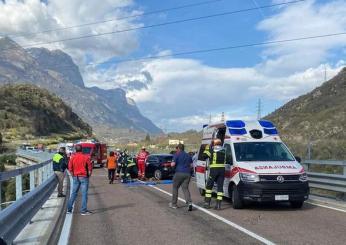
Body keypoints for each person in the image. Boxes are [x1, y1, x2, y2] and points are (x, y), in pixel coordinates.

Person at [67, 145, 93, 215]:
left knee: (74, 193)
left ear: (75, 150)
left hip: (76, 176)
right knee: (84, 194)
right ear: (82, 150)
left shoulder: (72, 158)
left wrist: (73, 175)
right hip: (84, 176)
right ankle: (83, 210)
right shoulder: (86, 157)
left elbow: (70, 168)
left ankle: (69, 209)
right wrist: (89, 175)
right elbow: (90, 168)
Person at [202, 139, 226, 210]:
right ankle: (218, 205)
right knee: (220, 187)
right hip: (222, 170)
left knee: (209, 186)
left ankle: (207, 203)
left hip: (214, 170)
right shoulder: (224, 150)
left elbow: (204, 156)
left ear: (214, 144)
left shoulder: (212, 150)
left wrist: (207, 148)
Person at [169, 144, 193, 211]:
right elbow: (191, 165)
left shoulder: (176, 154)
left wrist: (172, 166)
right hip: (187, 174)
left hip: (179, 173)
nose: (176, 149)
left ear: (179, 148)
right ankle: (189, 203)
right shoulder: (188, 155)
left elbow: (172, 164)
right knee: (185, 188)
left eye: (177, 148)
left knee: (175, 188)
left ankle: (174, 204)